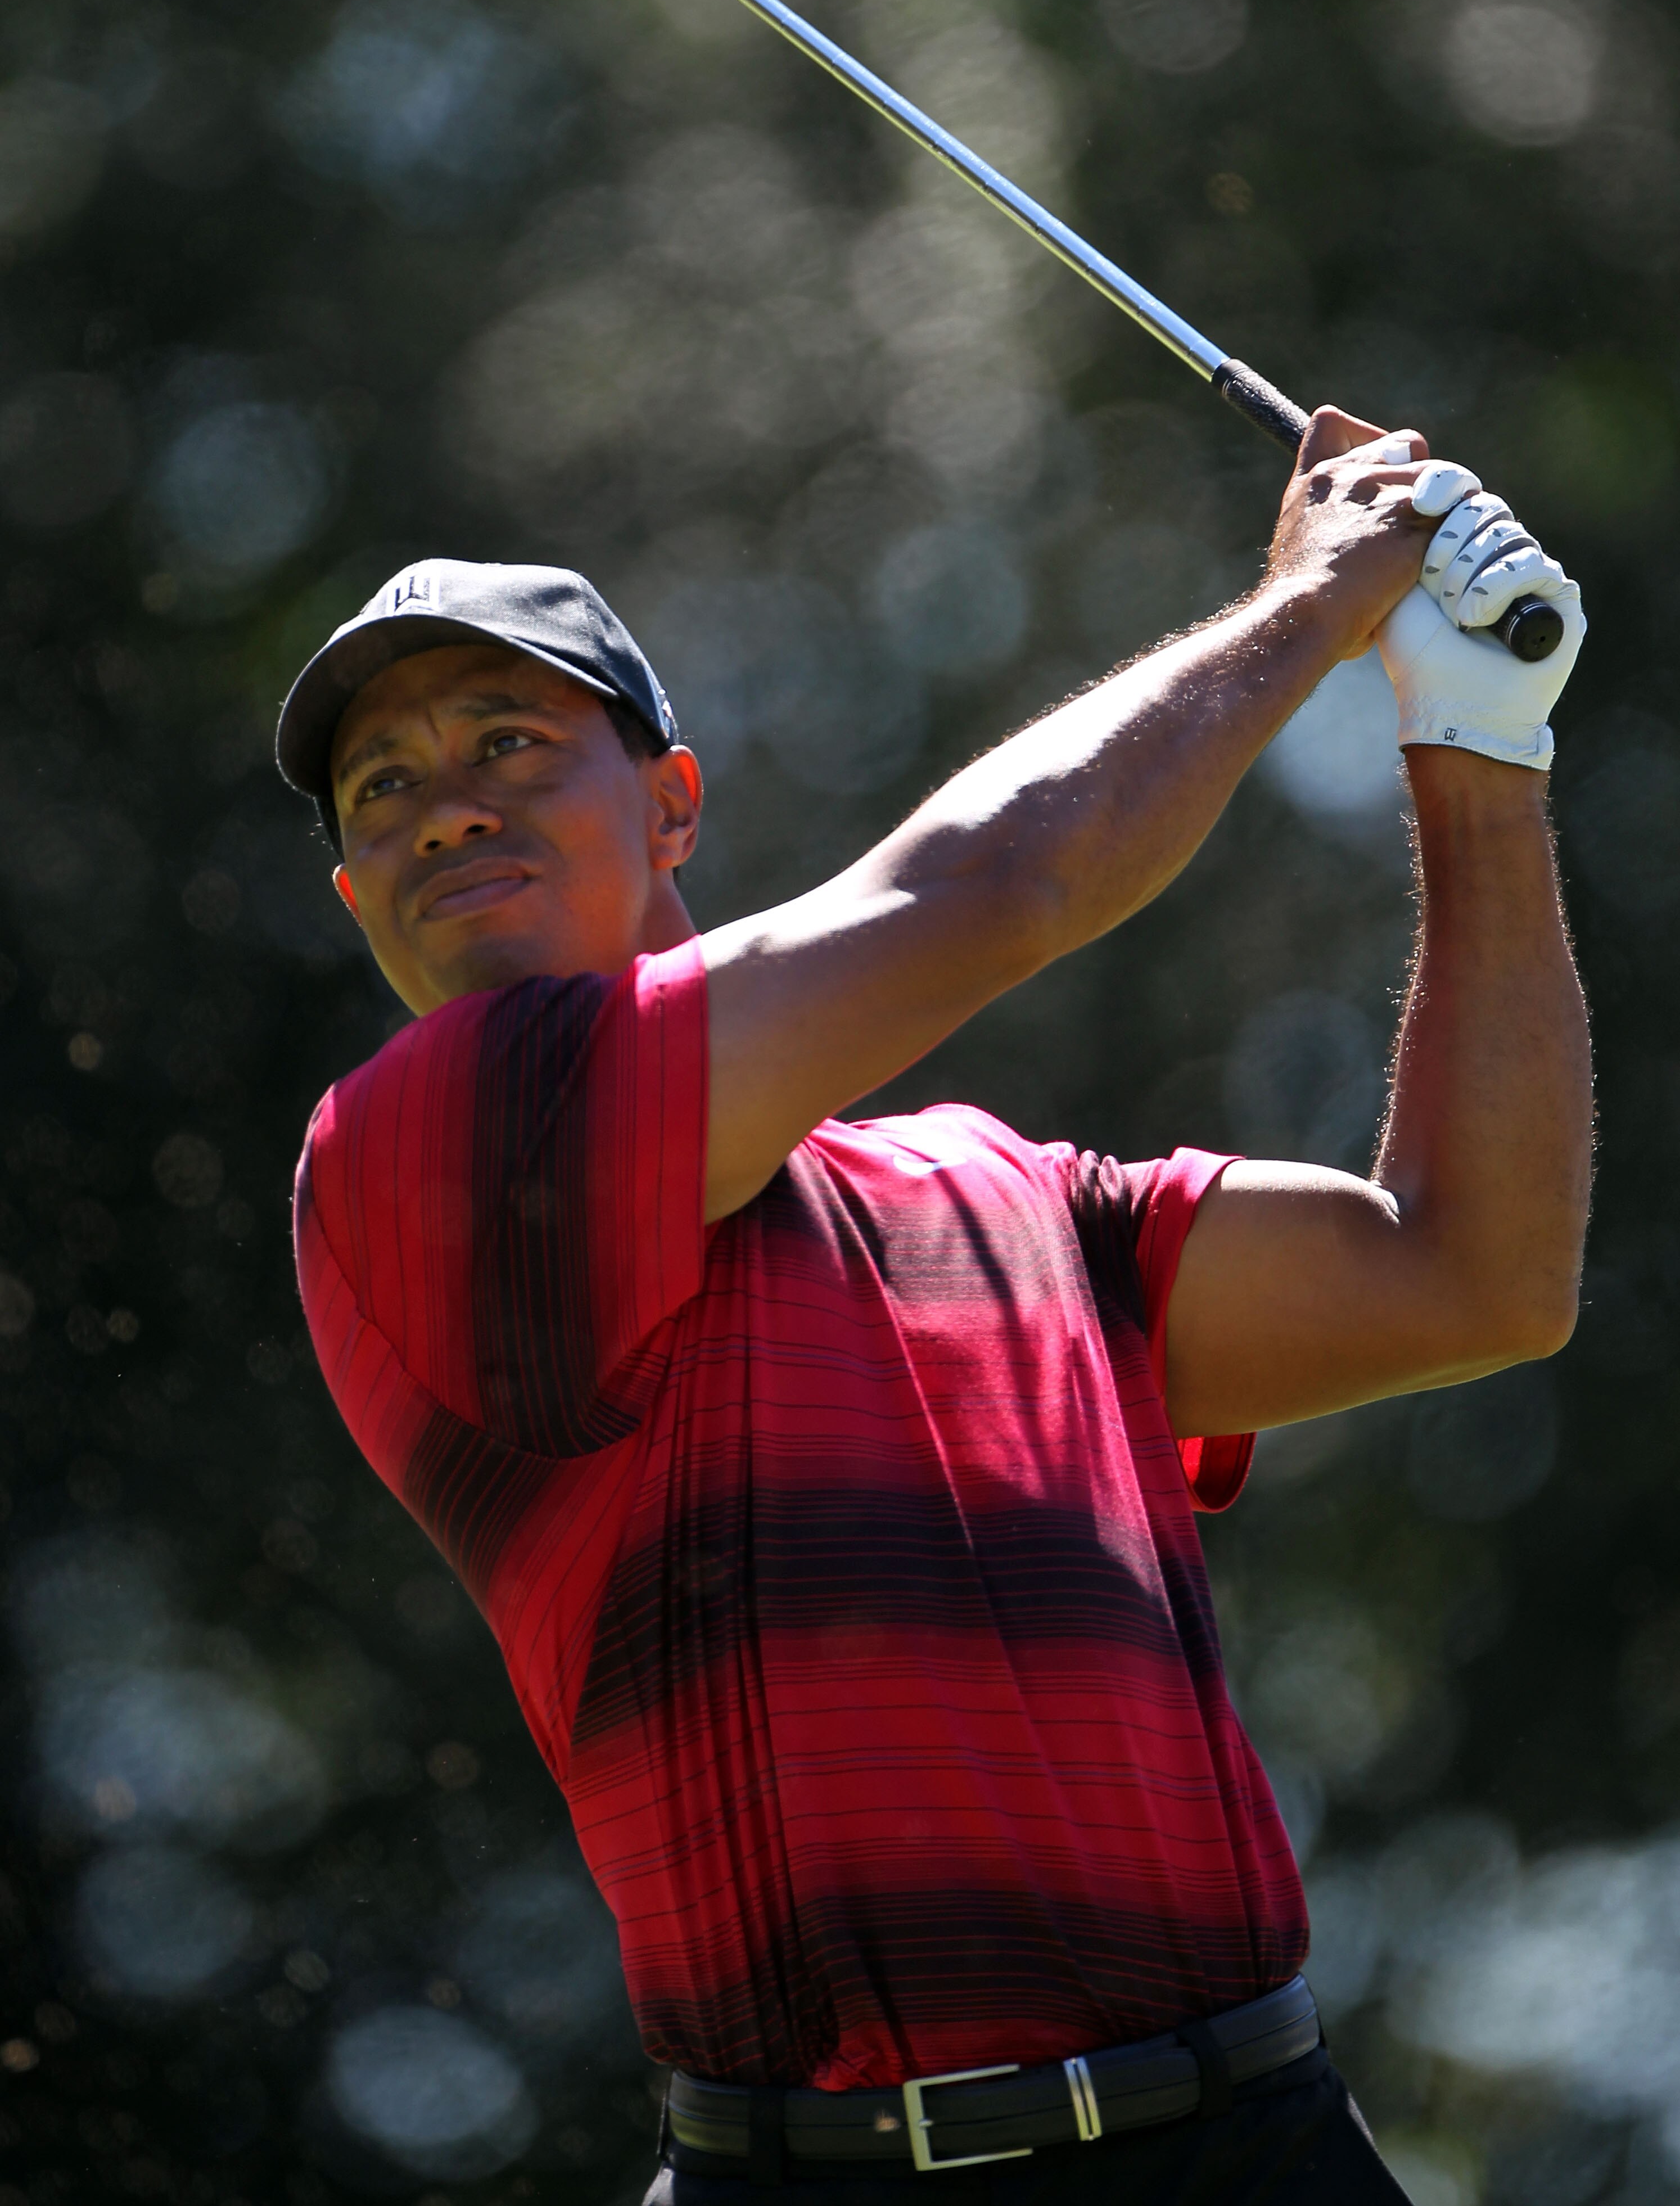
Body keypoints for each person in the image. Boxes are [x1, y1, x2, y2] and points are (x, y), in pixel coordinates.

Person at [276, 408, 1592, 2204]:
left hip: (1252, 2145)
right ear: (358, 898)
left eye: (509, 739)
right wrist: (1309, 602)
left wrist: (1476, 739)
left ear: (671, 801)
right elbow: (1003, 882)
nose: (449, 806)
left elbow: (1473, 1272)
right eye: (387, 788)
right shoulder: (413, 1152)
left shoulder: (1002, 1189)